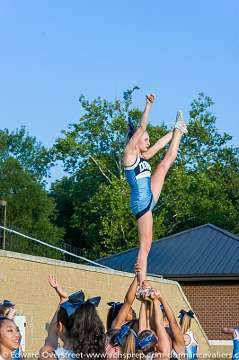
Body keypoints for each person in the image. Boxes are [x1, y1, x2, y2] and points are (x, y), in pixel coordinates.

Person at [123, 93, 187, 290]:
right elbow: (141, 128)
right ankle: (142, 282)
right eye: (146, 139)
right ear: (136, 140)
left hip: (150, 196)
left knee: (165, 163)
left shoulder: (143, 156)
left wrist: (173, 131)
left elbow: (160, 145)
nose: (149, 142)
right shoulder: (129, 155)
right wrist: (148, 105)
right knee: (146, 244)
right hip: (141, 204)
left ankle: (180, 131)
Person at [39, 276, 105, 360]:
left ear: (60, 327)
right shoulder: (99, 354)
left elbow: (50, 340)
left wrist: (62, 301)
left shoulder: (52, 357)